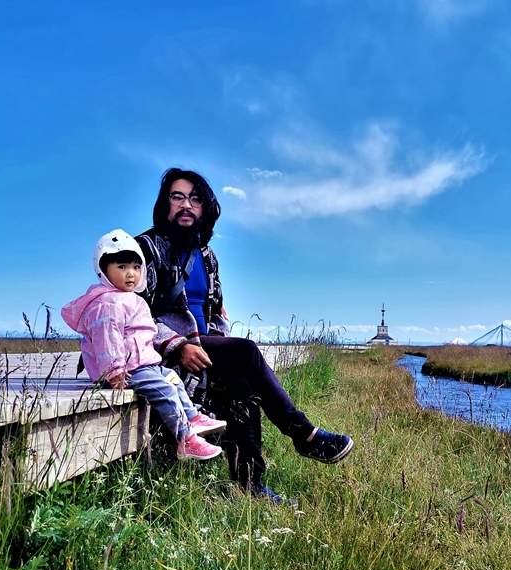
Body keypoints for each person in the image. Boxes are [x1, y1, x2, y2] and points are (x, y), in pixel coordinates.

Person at [136, 168, 354, 502]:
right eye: (177, 197)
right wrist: (178, 346)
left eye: (195, 199)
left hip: (205, 351)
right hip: (163, 355)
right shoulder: (145, 249)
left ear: (205, 208)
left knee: (241, 384)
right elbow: (134, 314)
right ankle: (304, 434)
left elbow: (216, 313)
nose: (186, 205)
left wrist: (214, 341)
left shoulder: (207, 257)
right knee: (246, 351)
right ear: (164, 204)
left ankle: (250, 486)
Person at [61, 229, 228, 461]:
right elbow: (107, 340)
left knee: (173, 378)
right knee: (165, 391)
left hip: (144, 366)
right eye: (122, 267)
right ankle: (186, 440)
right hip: (126, 372)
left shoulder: (130, 299)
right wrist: (114, 372)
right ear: (103, 270)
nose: (131, 273)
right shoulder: (107, 303)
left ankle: (192, 417)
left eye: (136, 267)